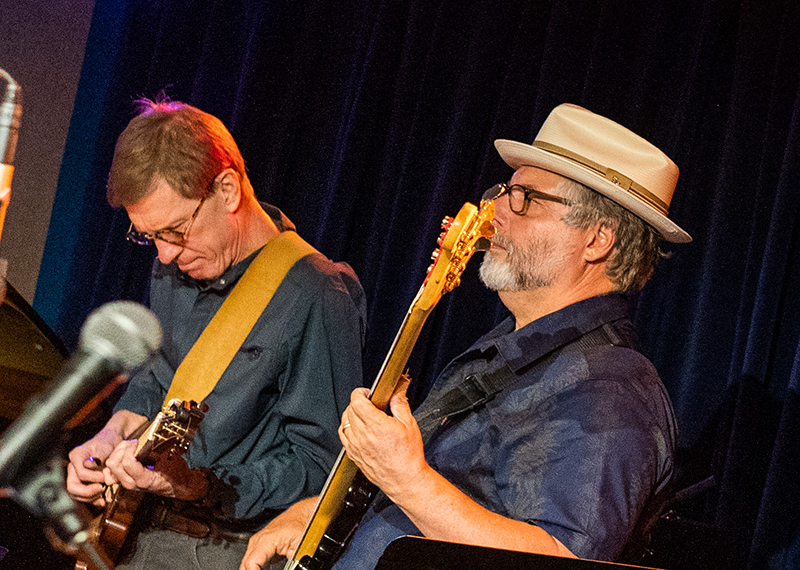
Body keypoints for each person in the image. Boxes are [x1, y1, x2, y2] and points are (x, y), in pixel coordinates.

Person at [239, 103, 689, 570]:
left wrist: (407, 479)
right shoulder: (512, 350)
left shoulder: (609, 387)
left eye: (526, 198)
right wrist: (318, 512)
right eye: (505, 192)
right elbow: (444, 506)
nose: (494, 212)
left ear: (597, 239)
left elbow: (561, 558)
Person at [65, 99, 367, 570]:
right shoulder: (175, 267)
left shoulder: (317, 293)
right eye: (149, 237)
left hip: (223, 548)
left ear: (227, 189)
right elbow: (157, 381)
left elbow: (321, 467)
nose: (164, 255)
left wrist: (199, 484)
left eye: (174, 231)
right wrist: (109, 436)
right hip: (132, 531)